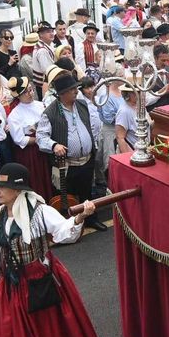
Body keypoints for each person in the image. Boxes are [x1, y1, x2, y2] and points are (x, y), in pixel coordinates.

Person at [0, 162, 101, 337]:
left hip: (39, 277)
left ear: (17, 190)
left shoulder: (39, 211)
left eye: (2, 187)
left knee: (52, 323)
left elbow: (63, 232)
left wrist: (80, 218)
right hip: (12, 282)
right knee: (11, 328)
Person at [37, 73, 102, 228]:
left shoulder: (82, 105)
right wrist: (54, 145)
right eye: (73, 89)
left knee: (87, 192)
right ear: (62, 93)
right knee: (68, 196)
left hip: (86, 159)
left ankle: (91, 220)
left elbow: (92, 125)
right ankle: (70, 226)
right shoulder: (50, 112)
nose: (76, 91)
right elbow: (41, 137)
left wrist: (94, 145)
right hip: (67, 164)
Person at [6, 76, 52, 196]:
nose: (30, 93)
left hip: (46, 147)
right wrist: (38, 139)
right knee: (36, 178)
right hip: (30, 153)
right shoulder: (14, 115)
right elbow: (19, 139)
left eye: (31, 90)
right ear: (18, 96)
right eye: (25, 92)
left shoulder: (40, 105)